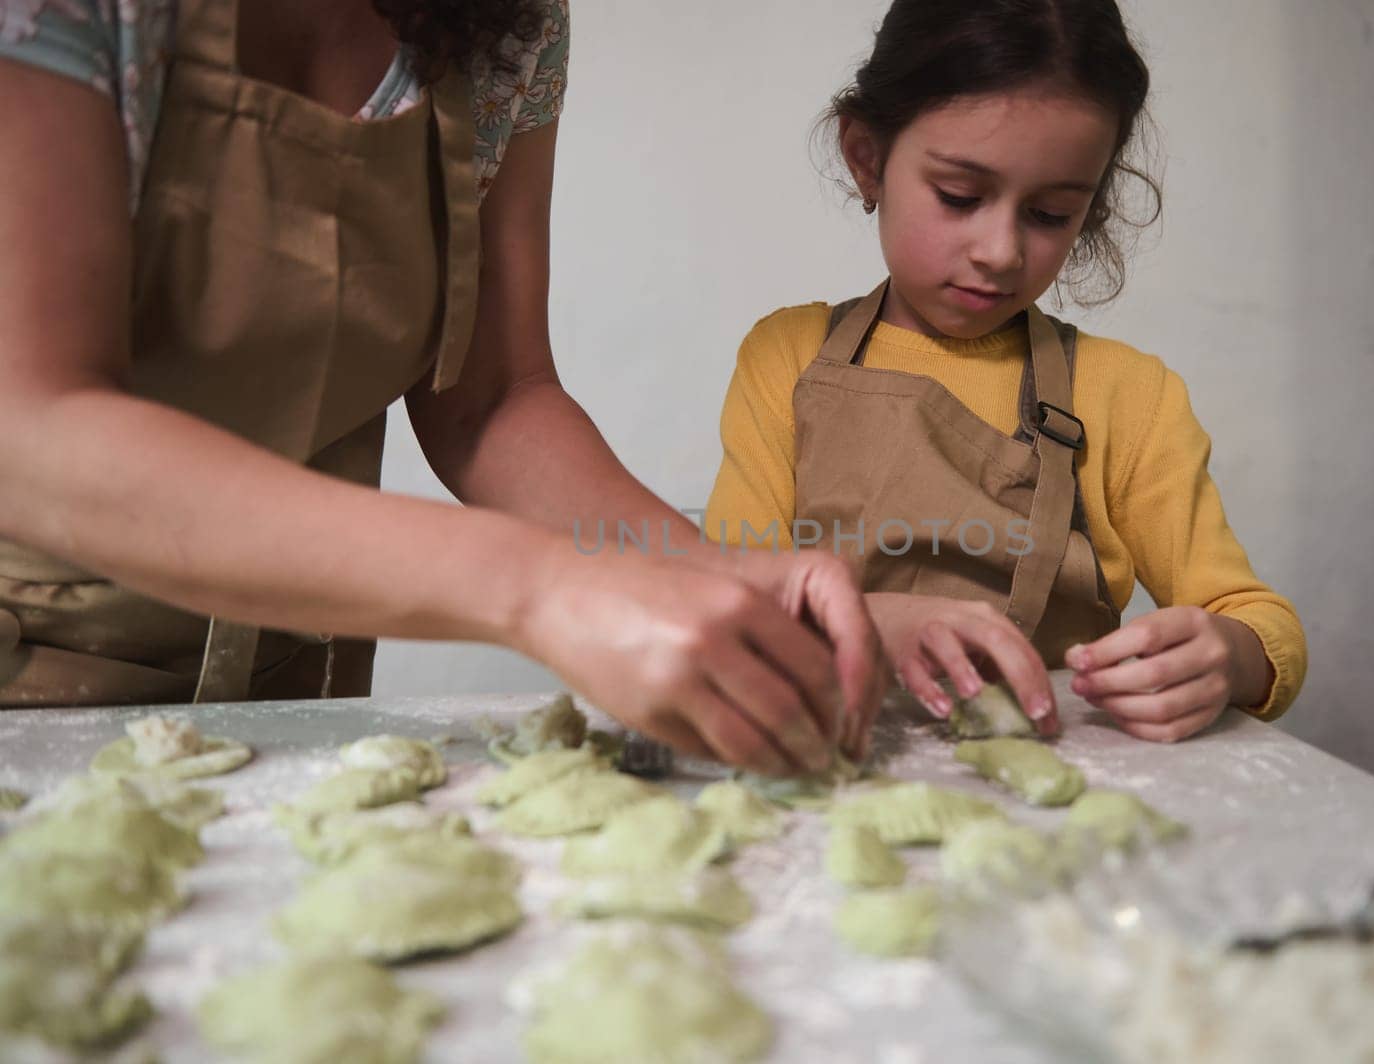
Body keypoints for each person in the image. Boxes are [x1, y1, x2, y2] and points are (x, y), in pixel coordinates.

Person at [0, 0, 887, 775]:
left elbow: (493, 395)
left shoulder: (504, 18)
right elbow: (32, 423)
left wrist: (719, 582)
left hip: (295, 690)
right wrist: (544, 588)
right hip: (30, 683)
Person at [704, 0, 1307, 743]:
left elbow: (1256, 618)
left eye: (1051, 214)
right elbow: (731, 601)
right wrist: (874, 624)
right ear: (867, 157)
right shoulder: (787, 357)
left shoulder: (1126, 395)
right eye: (960, 197)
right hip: (835, 761)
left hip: (1056, 781)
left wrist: (1232, 657)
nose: (1001, 251)